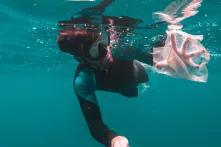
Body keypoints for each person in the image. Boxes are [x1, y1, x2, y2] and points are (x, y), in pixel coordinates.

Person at [57, 0, 166, 147]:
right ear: (81, 58)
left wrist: (175, 60)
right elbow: (94, 123)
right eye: (97, 50)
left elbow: (160, 62)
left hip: (141, 73)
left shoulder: (120, 51)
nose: (107, 51)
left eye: (104, 41)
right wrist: (113, 139)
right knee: (130, 91)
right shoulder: (83, 79)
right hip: (127, 87)